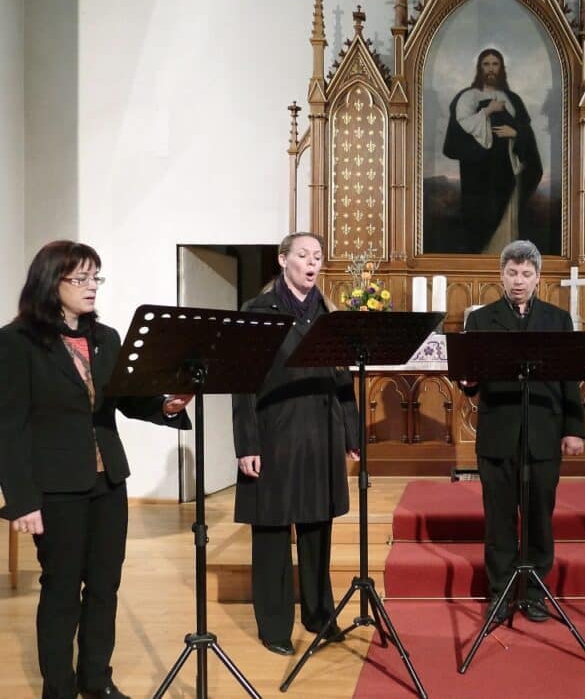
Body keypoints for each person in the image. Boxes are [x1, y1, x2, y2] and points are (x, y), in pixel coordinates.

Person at [0, 240, 192, 699]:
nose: (91, 287)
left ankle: (96, 679)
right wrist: (22, 500)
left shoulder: (105, 338)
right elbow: (9, 426)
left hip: (108, 482)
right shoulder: (16, 341)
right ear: (51, 283)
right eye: (81, 279)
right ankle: (59, 688)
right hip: (55, 486)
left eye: (95, 278)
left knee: (105, 585)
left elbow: (125, 399)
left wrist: (165, 404)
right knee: (62, 589)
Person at [232, 231, 360, 656]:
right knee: (271, 530)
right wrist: (246, 443)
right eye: (303, 255)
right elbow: (242, 383)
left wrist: (351, 433)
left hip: (321, 433)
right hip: (274, 433)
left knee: (317, 527)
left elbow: (343, 379)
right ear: (283, 259)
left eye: (318, 256)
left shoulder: (328, 312)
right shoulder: (258, 311)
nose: (312, 262)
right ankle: (274, 625)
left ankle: (319, 613)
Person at [461, 239, 585, 622]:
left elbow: (569, 381)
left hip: (544, 433)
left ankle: (534, 592)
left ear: (538, 278)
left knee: (538, 515)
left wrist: (573, 429)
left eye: (526, 274)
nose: (519, 280)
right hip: (498, 433)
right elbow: (471, 379)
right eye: (512, 273)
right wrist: (466, 381)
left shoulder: (557, 320)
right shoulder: (480, 320)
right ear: (501, 276)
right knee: (498, 517)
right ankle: (500, 592)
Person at [443, 48, 543, 254]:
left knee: (507, 221)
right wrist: (487, 113)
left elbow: (526, 132)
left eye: (495, 64)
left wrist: (515, 132)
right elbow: (455, 139)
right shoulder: (467, 97)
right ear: (480, 68)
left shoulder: (513, 99)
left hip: (507, 171)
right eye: (486, 64)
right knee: (481, 221)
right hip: (478, 176)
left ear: (502, 69)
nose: (491, 69)